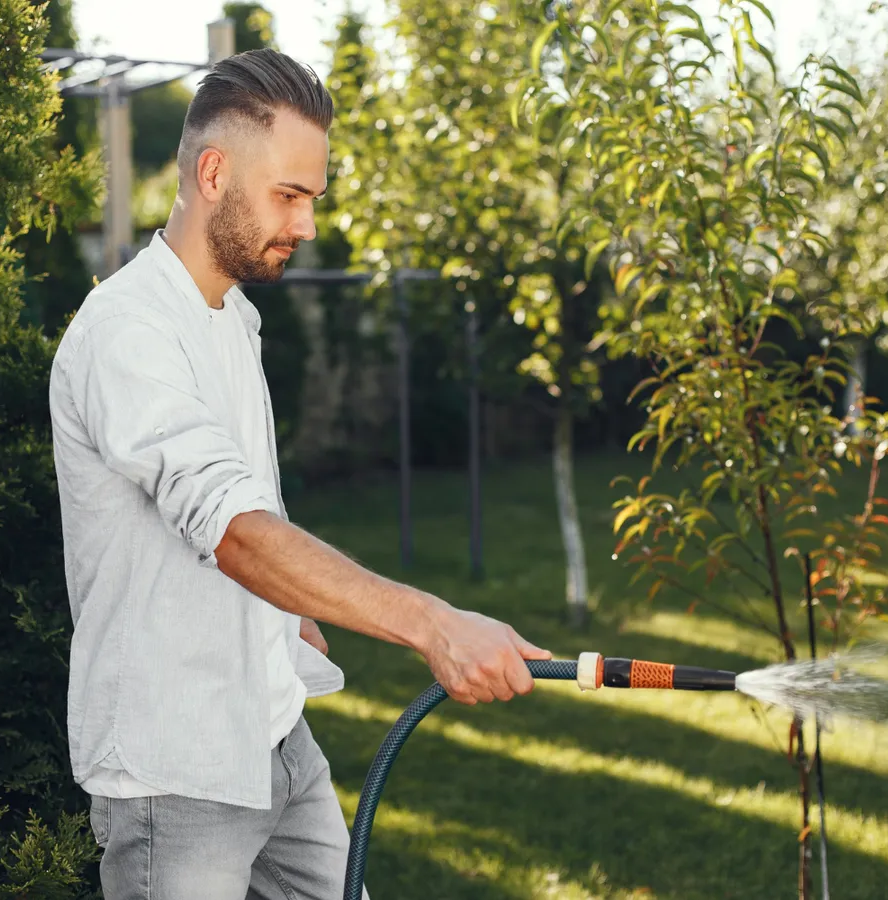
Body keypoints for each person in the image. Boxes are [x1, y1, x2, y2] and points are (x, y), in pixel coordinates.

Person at [48, 48, 552, 900]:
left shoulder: (231, 317)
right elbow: (234, 531)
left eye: (312, 197)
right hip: (179, 775)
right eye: (290, 195)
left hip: (276, 736)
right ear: (214, 172)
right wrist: (433, 625)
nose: (309, 223)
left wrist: (281, 618)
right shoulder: (126, 333)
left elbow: (248, 512)